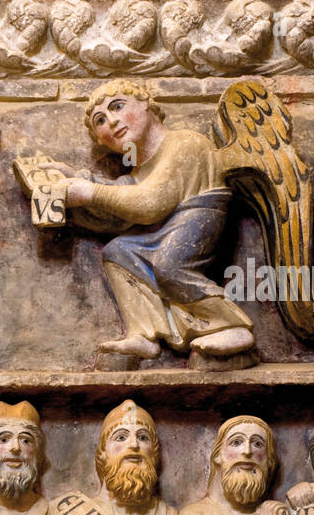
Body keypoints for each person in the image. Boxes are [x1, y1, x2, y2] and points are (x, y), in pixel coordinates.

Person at [47, 79, 255, 363]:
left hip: (198, 216)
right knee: (118, 252)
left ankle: (232, 325)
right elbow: (122, 207)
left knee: (169, 265)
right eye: (101, 121)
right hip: (170, 226)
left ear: (146, 103)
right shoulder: (141, 166)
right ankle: (144, 334)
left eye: (118, 106)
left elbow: (149, 204)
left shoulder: (184, 143)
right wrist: (78, 179)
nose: (112, 121)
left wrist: (90, 192)